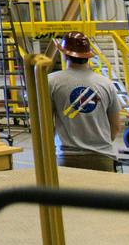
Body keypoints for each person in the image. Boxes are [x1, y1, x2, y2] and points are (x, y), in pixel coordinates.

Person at [47, 31, 122, 172]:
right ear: (88, 56)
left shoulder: (51, 81)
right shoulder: (106, 84)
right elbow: (116, 126)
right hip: (103, 158)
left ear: (64, 54)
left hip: (67, 159)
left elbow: (45, 125)